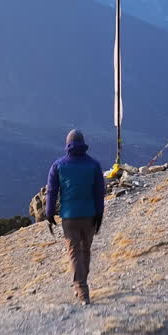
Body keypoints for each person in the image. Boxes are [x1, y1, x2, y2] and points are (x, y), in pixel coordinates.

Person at [44, 129, 106, 305]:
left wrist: (49, 214)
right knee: (85, 250)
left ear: (67, 144)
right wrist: (99, 215)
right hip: (89, 215)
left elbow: (52, 191)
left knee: (74, 251)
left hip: (69, 216)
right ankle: (82, 284)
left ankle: (81, 288)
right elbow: (99, 193)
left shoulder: (58, 165)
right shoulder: (94, 165)